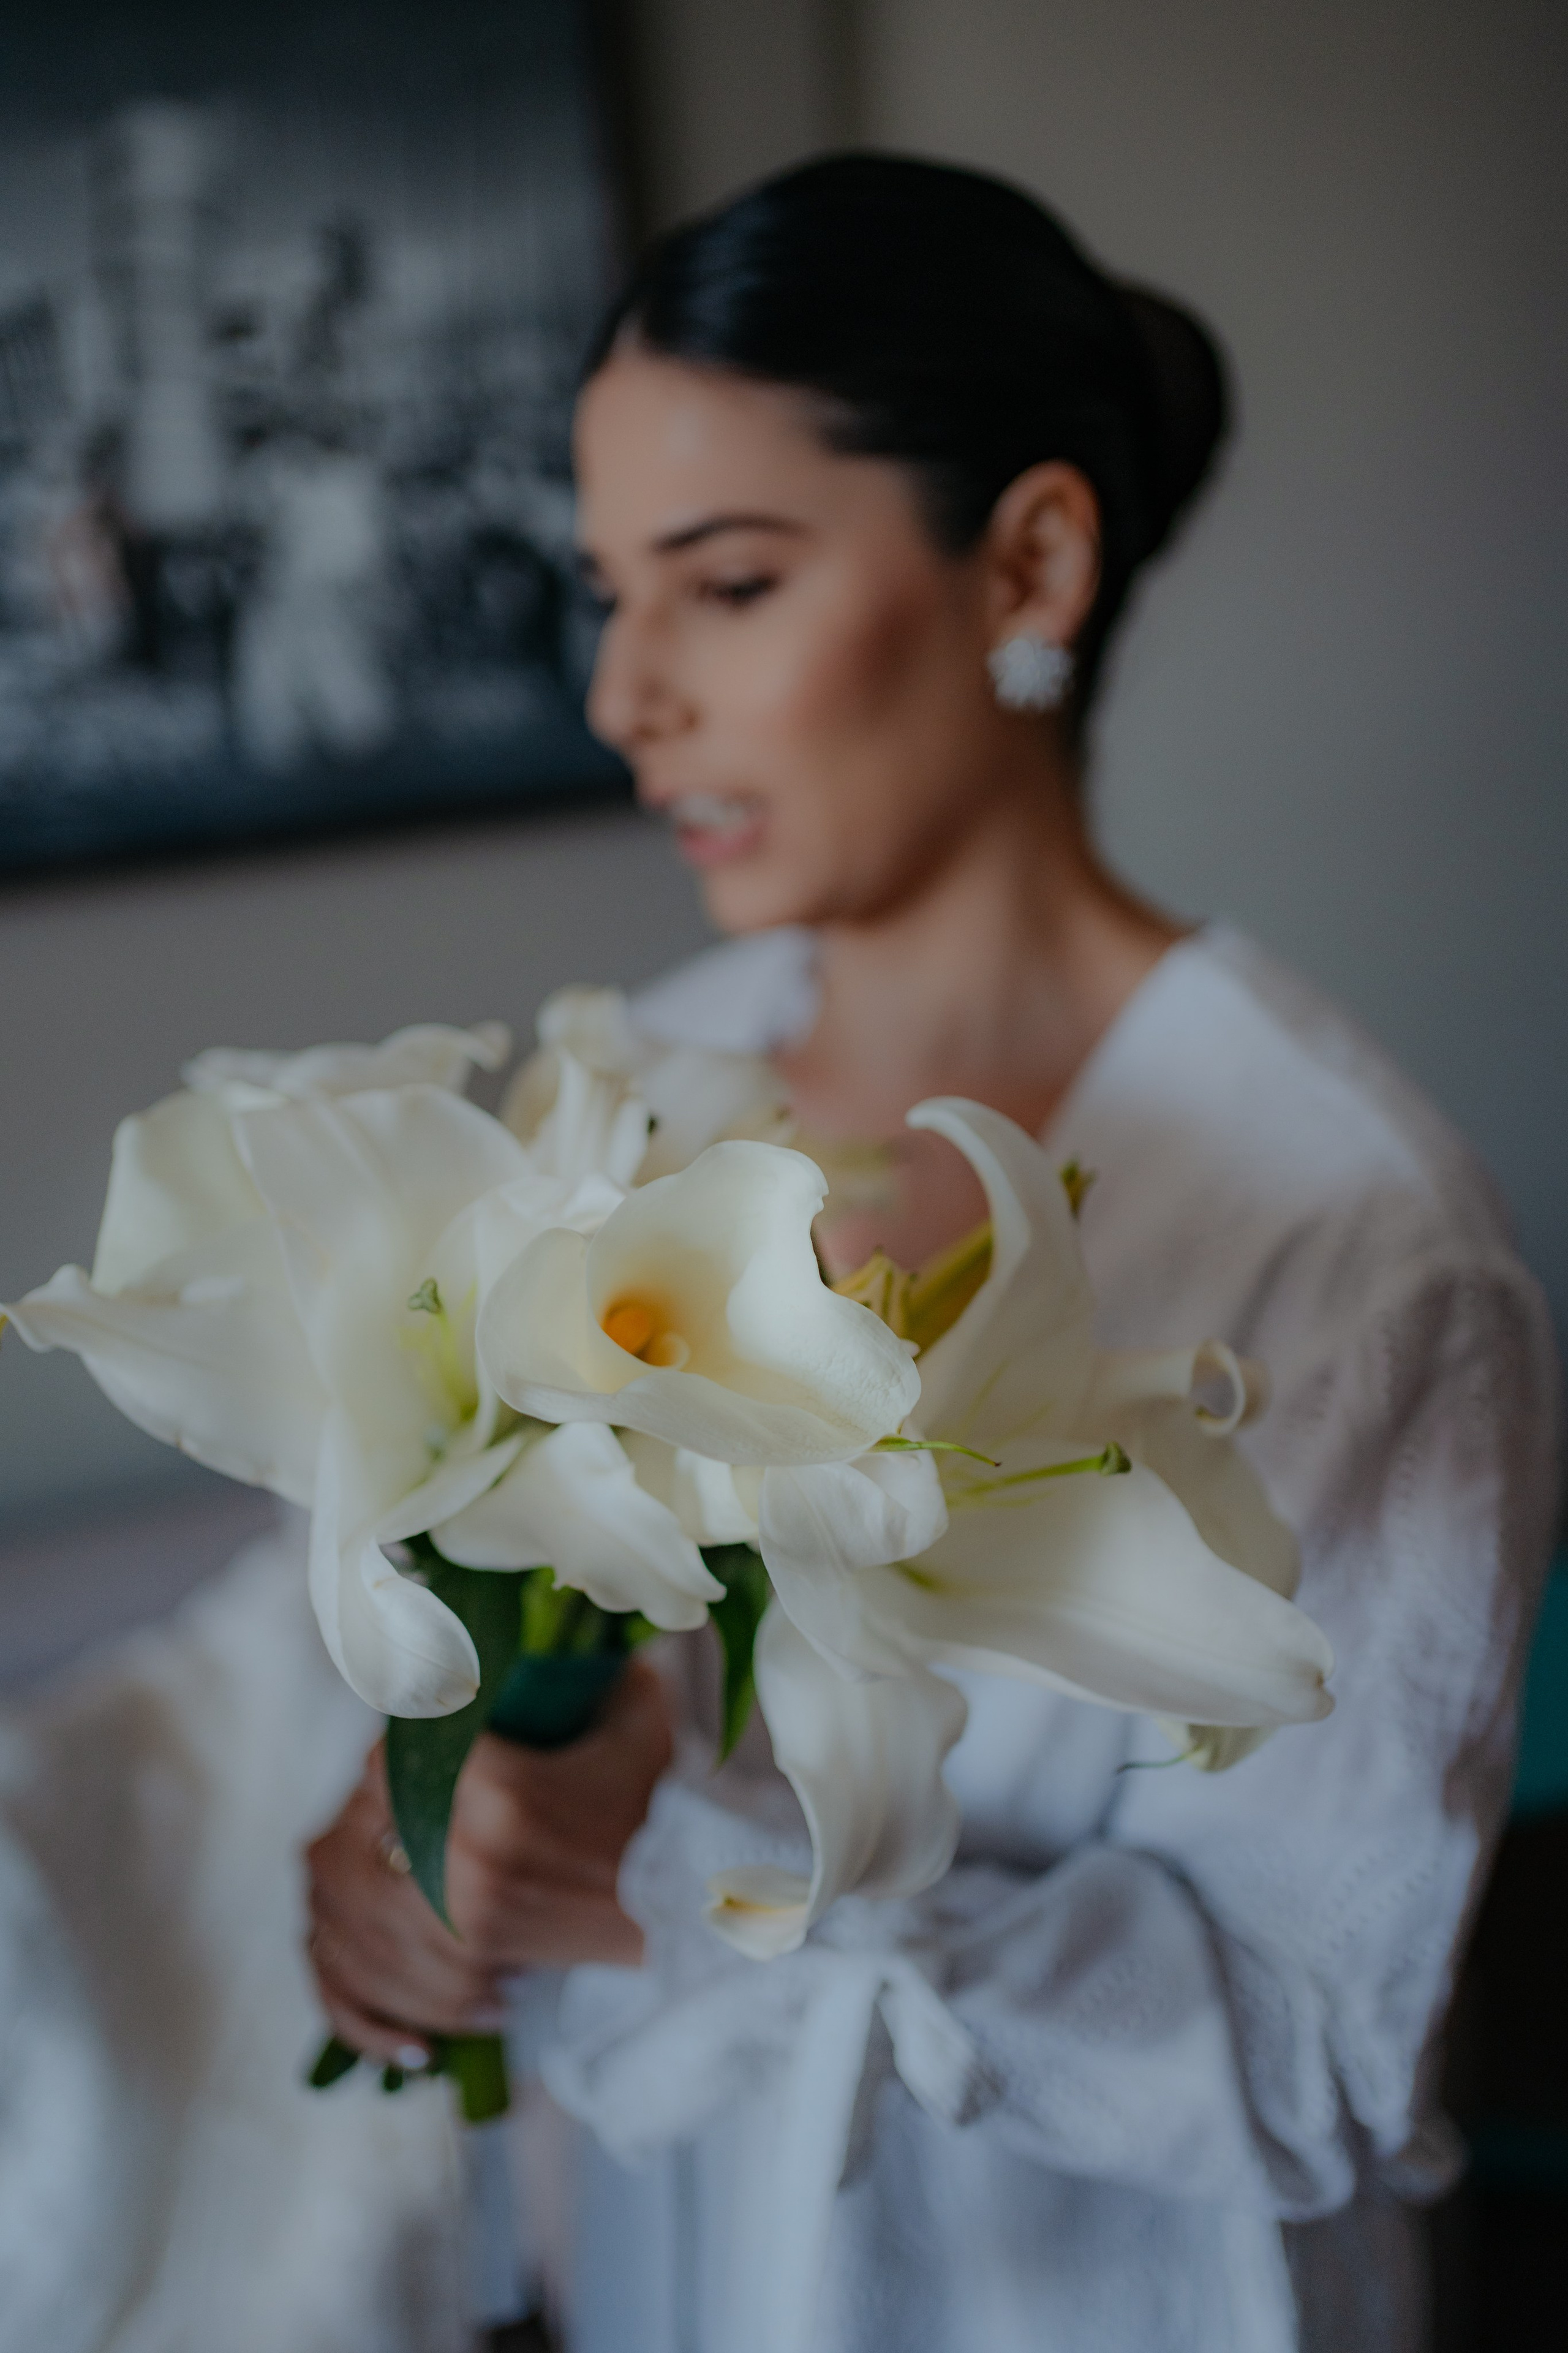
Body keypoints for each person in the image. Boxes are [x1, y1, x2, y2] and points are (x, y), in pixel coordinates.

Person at [304, 155, 1562, 2351]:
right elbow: (534, 1658)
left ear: (1032, 560)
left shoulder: (1353, 1250)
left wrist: (678, 1875)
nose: (626, 696)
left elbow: (1317, 2060)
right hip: (687, 2267)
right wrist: (423, 1816)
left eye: (728, 583)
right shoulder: (637, 1086)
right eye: (608, 591)